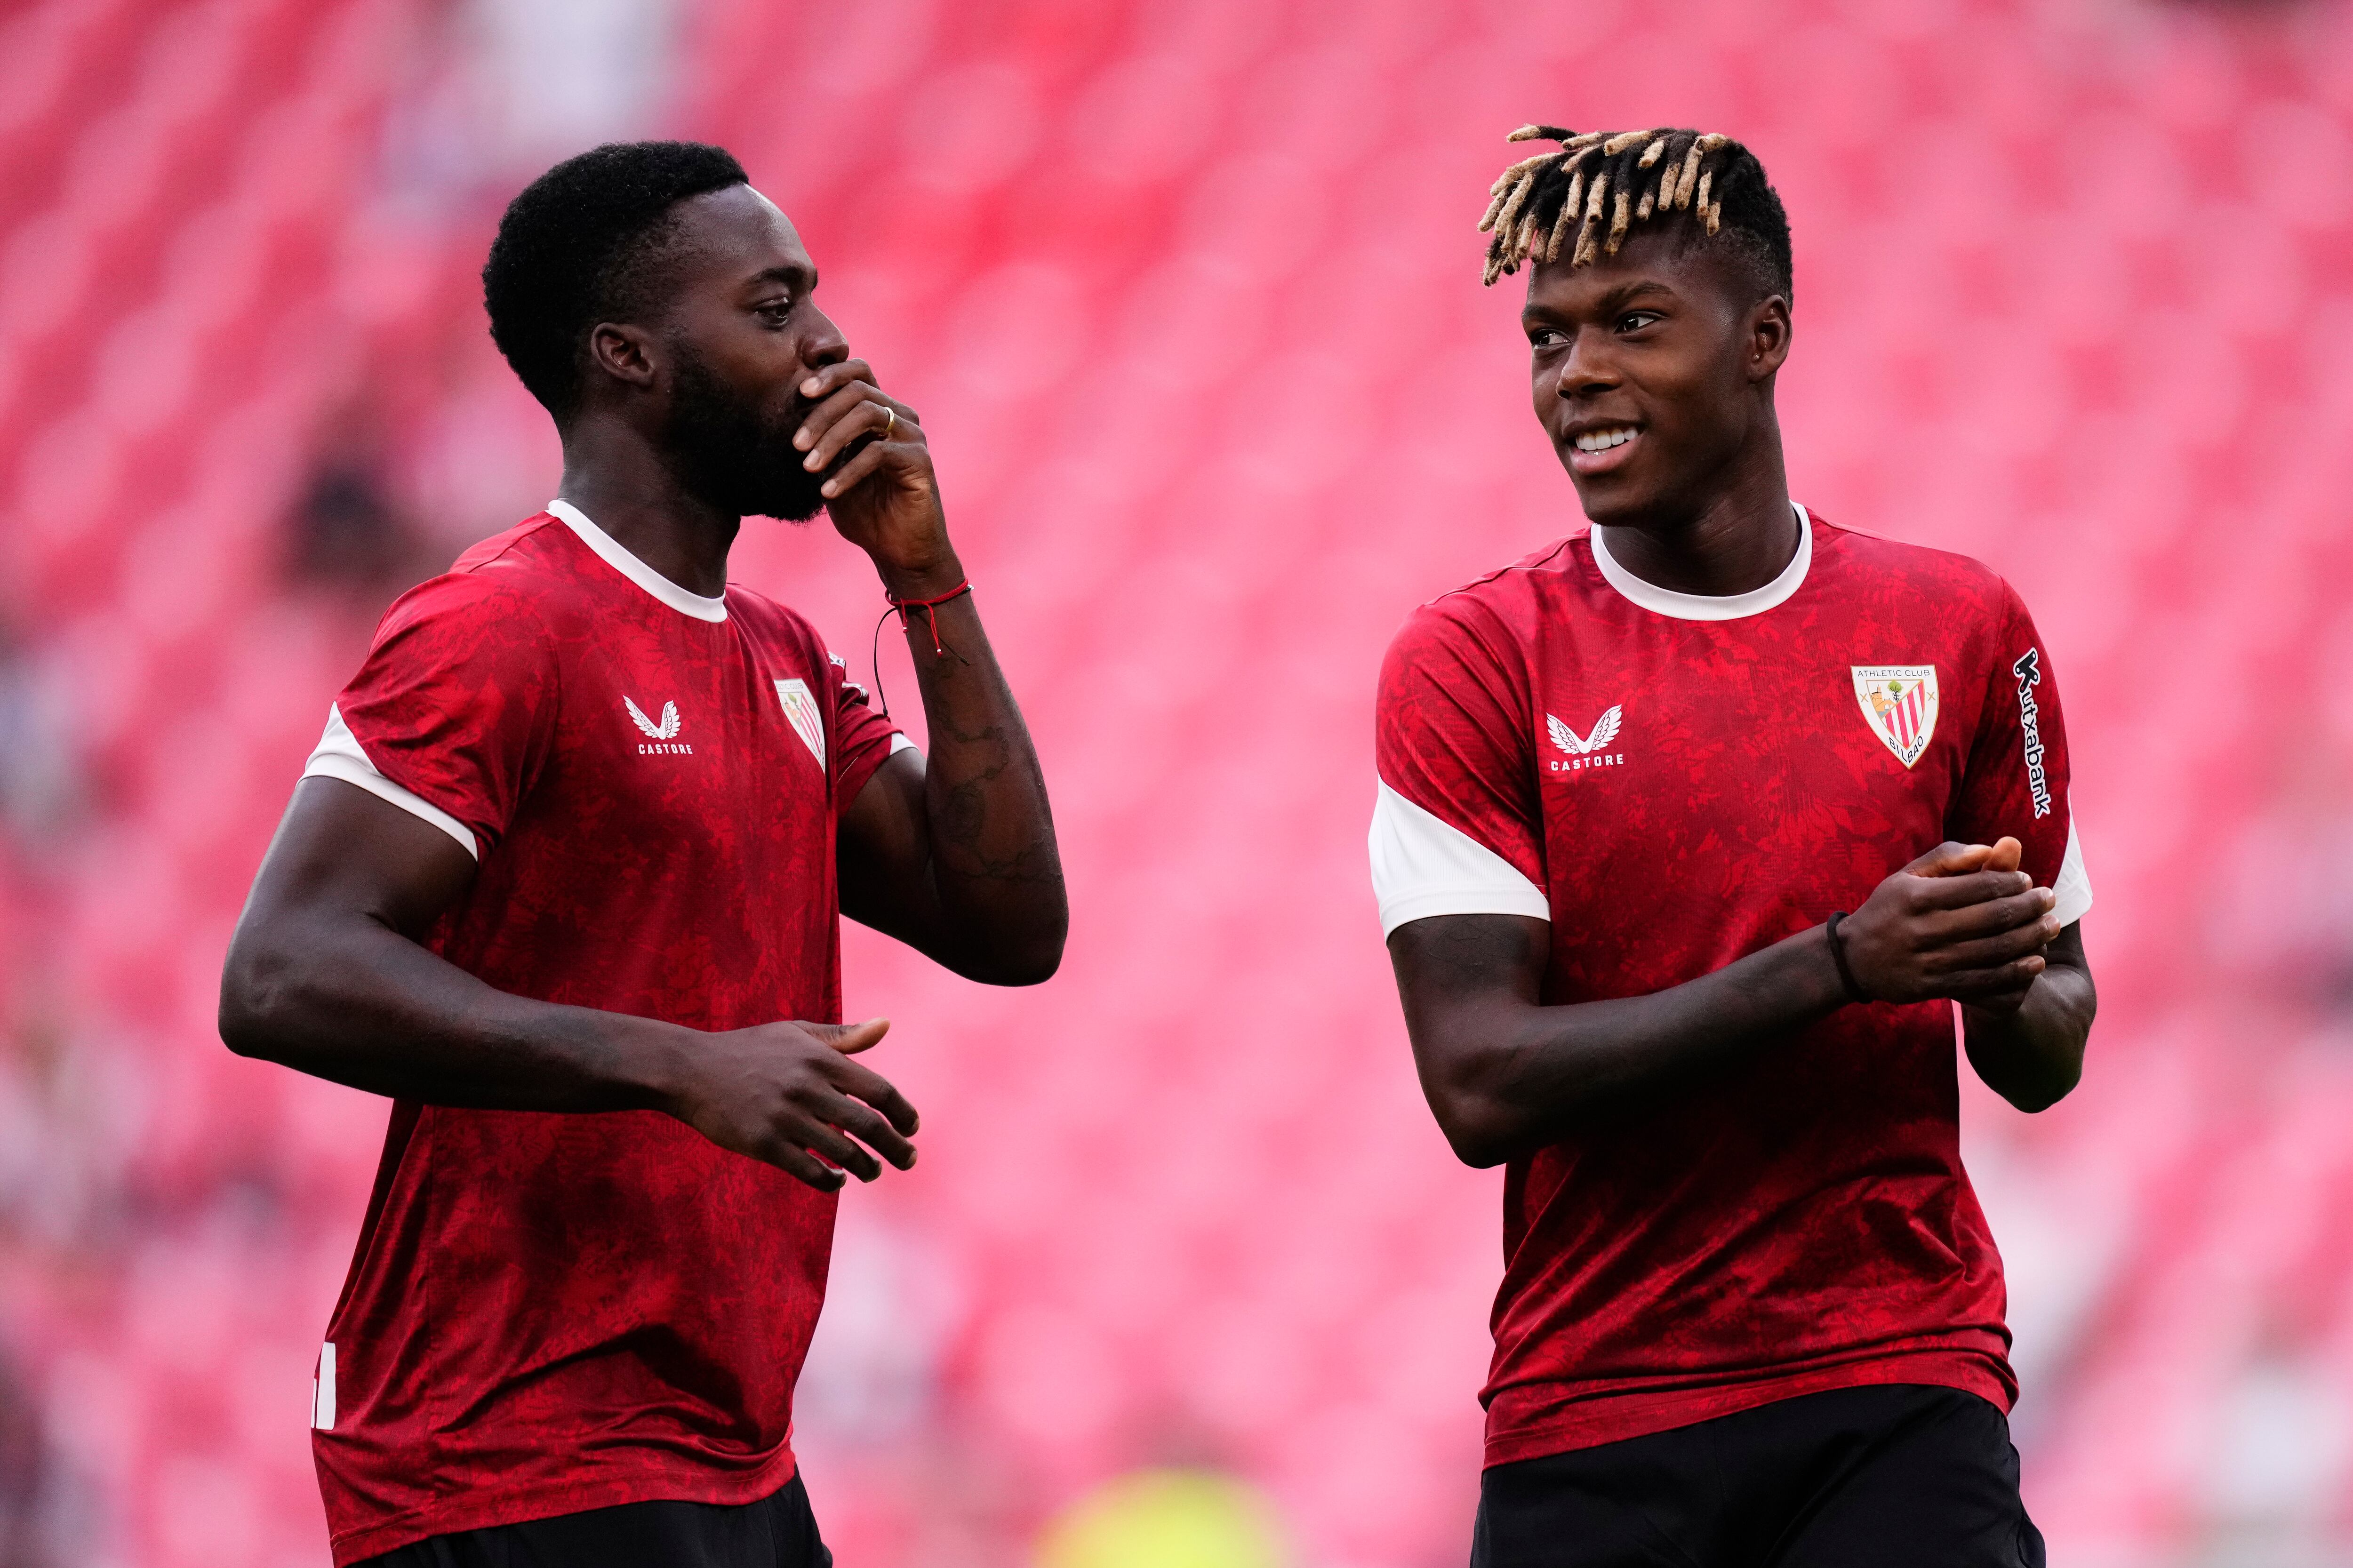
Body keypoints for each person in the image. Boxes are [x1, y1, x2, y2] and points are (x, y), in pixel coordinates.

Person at [220, 141, 1066, 1568]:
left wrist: (924, 574)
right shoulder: (497, 627)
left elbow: (1010, 925)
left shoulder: (783, 659)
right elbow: (280, 973)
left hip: (731, 1452)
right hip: (507, 1449)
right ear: (628, 356)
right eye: (774, 306)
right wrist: (682, 1063)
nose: (828, 342)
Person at [1369, 126, 2095, 1567]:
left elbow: (2050, 1043)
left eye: (1633, 323)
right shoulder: (1476, 658)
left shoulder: (1959, 627)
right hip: (1599, 1402)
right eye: (1548, 337)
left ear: (1764, 338)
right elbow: (1480, 1081)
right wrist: (1842, 963)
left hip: (1901, 1373)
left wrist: (2001, 972)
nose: (1577, 374)